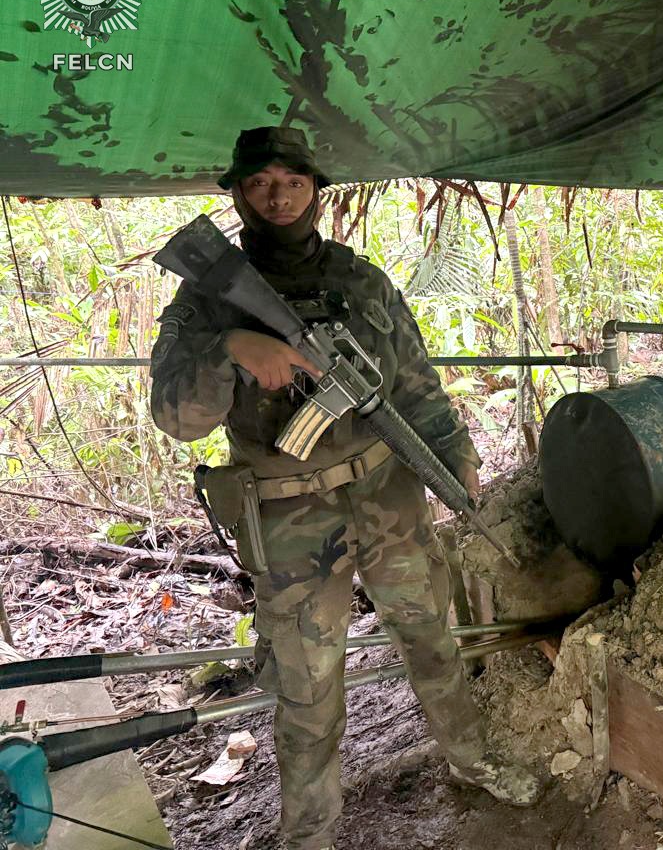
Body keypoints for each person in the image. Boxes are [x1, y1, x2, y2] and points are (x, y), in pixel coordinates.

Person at [150, 127, 539, 850]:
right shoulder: (207, 299)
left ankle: (473, 760)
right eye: (261, 183)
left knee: (433, 640)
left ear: (316, 192)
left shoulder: (362, 282)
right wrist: (233, 350)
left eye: (293, 182)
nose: (278, 196)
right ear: (237, 192)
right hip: (291, 518)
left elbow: (418, 386)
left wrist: (458, 464)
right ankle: (310, 835)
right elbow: (175, 417)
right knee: (309, 687)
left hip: (386, 497)